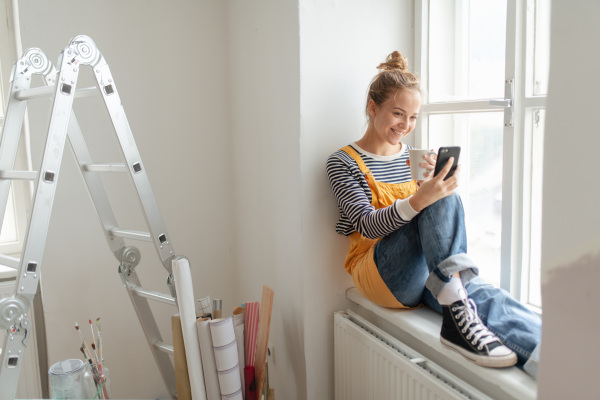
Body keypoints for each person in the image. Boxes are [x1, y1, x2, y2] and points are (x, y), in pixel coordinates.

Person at [326, 51, 541, 376]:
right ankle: (456, 298)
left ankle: (558, 361)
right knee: (434, 201)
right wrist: (421, 198)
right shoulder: (342, 162)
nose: (406, 125)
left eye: (413, 118)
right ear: (373, 107)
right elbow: (367, 226)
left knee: (485, 295)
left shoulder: (417, 157)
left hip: (427, 270)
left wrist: (442, 187)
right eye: (398, 114)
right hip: (380, 272)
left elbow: (439, 231)